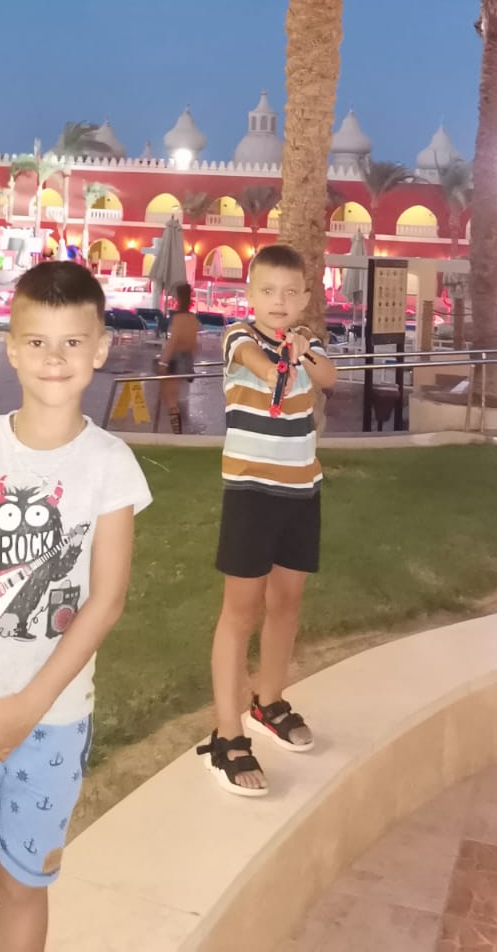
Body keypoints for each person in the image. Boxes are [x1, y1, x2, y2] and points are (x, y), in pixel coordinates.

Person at [0, 261, 151, 952]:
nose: (54, 358)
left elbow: (106, 600)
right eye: (38, 341)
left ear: (100, 349)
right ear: (11, 347)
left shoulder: (110, 464)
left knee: (24, 886)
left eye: (72, 342)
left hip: (53, 723)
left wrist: (29, 706)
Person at [197, 243, 336, 797]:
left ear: (305, 298)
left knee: (287, 602)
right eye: (267, 291)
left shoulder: (309, 342)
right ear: (250, 295)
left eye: (290, 292)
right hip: (251, 493)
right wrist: (288, 354)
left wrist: (304, 350)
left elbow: (328, 378)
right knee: (240, 611)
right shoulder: (238, 337)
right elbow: (262, 366)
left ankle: (268, 701)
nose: (279, 301)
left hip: (301, 492)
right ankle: (226, 734)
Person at [155, 282, 199, 434]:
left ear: (179, 298)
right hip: (186, 358)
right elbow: (194, 344)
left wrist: (163, 362)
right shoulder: (193, 319)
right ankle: (176, 431)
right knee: (173, 396)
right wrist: (191, 363)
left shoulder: (178, 318)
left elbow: (173, 342)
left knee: (170, 398)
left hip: (174, 359)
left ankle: (176, 432)